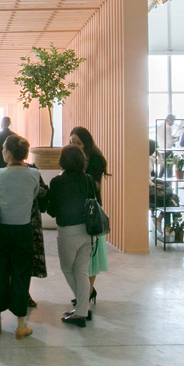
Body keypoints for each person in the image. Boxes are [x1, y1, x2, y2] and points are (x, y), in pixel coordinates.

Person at [0, 135, 43, 339]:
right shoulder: (33, 174)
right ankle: (21, 324)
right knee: (21, 274)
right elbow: (32, 199)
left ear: (7, 153)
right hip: (22, 230)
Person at [47, 144, 96, 327]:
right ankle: (82, 310)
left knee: (68, 269)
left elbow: (52, 210)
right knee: (82, 271)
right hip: (88, 231)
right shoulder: (88, 179)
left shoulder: (57, 182)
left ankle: (81, 311)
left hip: (68, 231)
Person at [70, 126, 109, 295]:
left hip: (91, 211)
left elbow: (96, 186)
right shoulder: (71, 158)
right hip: (75, 210)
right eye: (72, 142)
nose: (75, 146)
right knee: (78, 257)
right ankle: (85, 292)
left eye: (78, 143)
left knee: (91, 256)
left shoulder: (95, 159)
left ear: (86, 143)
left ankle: (88, 292)